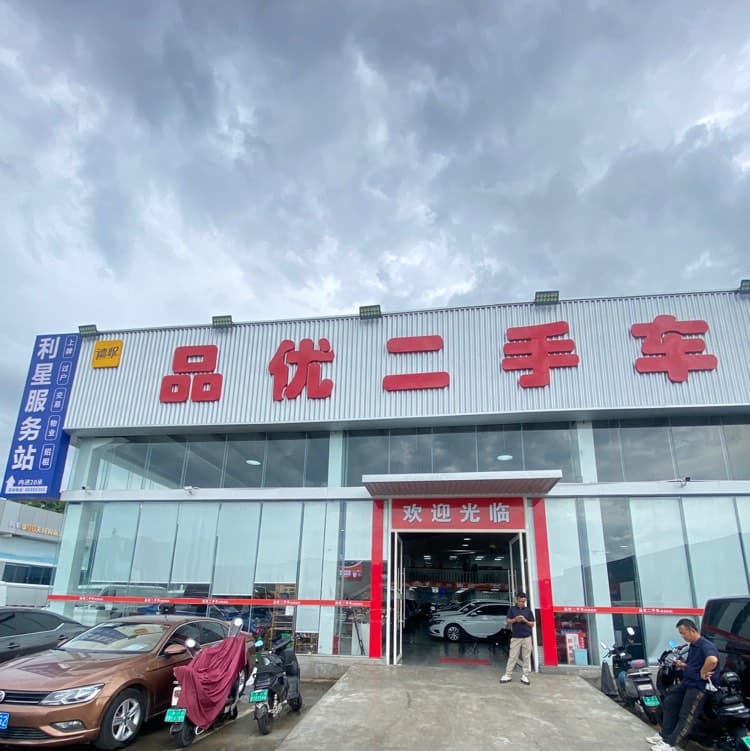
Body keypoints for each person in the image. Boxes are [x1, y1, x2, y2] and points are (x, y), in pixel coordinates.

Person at [646, 618, 720, 751]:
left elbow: (712, 660)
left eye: (683, 633)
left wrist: (704, 671)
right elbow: (695, 664)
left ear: (692, 631)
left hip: (698, 686)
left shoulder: (705, 645)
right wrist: (683, 665)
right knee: (670, 701)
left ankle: (671, 744)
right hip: (687, 682)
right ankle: (664, 736)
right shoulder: (693, 646)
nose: (682, 636)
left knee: (686, 715)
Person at [499, 591, 535, 685]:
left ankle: (525, 675)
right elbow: (508, 621)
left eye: (523, 601)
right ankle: (508, 674)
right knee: (513, 656)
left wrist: (525, 620)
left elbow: (532, 624)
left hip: (527, 636)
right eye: (520, 601)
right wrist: (515, 619)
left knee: (526, 657)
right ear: (516, 600)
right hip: (516, 636)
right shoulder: (512, 610)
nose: (521, 603)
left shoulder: (528, 611)